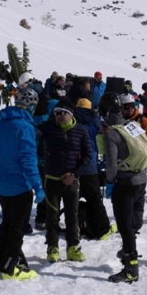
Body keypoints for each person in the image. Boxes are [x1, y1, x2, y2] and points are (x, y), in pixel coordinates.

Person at [0, 89, 42, 280]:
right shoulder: (25, 127)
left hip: (2, 183)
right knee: (17, 226)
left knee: (8, 223)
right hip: (20, 185)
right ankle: (10, 267)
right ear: (32, 106)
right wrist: (38, 186)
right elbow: (28, 160)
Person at [102, 93, 147, 283]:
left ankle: (131, 268)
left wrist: (109, 182)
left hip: (125, 184)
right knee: (133, 219)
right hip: (142, 178)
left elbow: (111, 164)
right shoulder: (132, 125)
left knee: (124, 227)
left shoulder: (112, 134)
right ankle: (127, 249)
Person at [41, 103, 91, 263]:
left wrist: (75, 174)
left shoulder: (81, 130)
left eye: (63, 113)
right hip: (52, 180)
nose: (60, 116)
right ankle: (52, 248)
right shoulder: (48, 128)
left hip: (72, 181)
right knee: (52, 216)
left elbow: (88, 155)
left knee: (72, 215)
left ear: (71, 114)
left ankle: (73, 247)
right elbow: (31, 134)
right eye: (56, 113)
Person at [72, 97, 112, 239]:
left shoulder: (72, 120)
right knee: (94, 199)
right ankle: (102, 229)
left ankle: (75, 227)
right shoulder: (95, 122)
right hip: (90, 166)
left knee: (73, 199)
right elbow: (100, 145)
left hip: (73, 166)